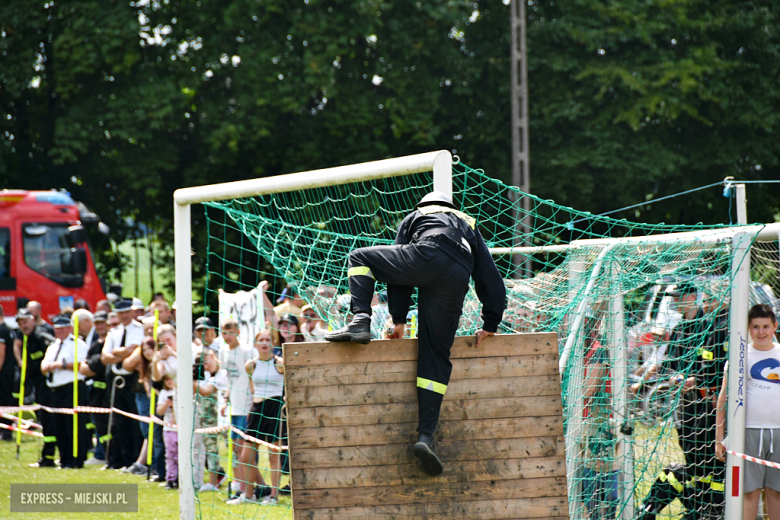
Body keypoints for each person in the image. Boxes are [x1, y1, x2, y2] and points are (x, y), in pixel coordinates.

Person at [324, 191, 506, 475]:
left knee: (359, 257)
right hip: (458, 274)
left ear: (422, 205)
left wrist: (398, 319)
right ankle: (425, 437)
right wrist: (491, 322)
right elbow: (490, 277)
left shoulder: (416, 216)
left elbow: (399, 275)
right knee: (434, 355)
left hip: (428, 253)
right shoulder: (468, 223)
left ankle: (360, 320)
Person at [639, 283, 727, 519]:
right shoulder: (680, 328)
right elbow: (669, 363)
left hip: (706, 406)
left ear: (691, 297)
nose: (673, 301)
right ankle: (693, 509)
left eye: (677, 296)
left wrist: (694, 380)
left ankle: (710, 510)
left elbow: (713, 368)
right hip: (685, 404)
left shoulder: (710, 326)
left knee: (708, 462)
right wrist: (645, 377)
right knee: (691, 457)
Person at [716, 304, 780, 520]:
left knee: (775, 492)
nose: (761, 332)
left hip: (778, 433)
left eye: (765, 326)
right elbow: (723, 398)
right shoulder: (739, 357)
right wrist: (719, 438)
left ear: (774, 327)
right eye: (755, 327)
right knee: (750, 492)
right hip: (749, 433)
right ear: (748, 329)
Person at [229, 330, 285, 505]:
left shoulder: (280, 363)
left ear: (272, 344)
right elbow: (253, 387)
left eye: (268, 340)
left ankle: (273, 496)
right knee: (246, 455)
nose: (264, 343)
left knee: (274, 455)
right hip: (257, 408)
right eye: (261, 340)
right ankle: (248, 495)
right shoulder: (251, 365)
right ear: (255, 343)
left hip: (275, 408)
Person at [580, 315, 619, 519]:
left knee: (605, 490)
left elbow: (588, 389)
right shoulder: (581, 352)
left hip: (600, 424)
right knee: (587, 491)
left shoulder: (598, 351)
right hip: (584, 424)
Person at [40, 315, 90, 468]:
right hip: (55, 390)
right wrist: (46, 367)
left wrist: (61, 365)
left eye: (63, 328)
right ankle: (64, 458)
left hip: (72, 388)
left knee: (73, 426)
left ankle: (76, 459)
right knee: (59, 426)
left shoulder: (78, 344)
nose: (59, 331)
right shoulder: (53, 345)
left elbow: (82, 364)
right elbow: (44, 364)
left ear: (69, 328)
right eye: (57, 328)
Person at [100, 299, 144, 470]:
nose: (124, 315)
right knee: (120, 422)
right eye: (121, 312)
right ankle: (124, 460)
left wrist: (117, 352)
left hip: (133, 378)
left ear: (132, 312)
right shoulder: (113, 333)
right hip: (116, 379)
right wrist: (124, 352)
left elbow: (135, 351)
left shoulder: (139, 330)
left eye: (127, 312)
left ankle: (135, 459)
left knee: (135, 422)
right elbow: (105, 357)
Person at [15, 308, 57, 467]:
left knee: (49, 422)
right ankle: (48, 456)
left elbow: (54, 347)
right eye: (20, 323)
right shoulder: (27, 338)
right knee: (46, 422)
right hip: (39, 387)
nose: (23, 325)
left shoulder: (40, 336)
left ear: (32, 320)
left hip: (48, 387)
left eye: (25, 321)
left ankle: (48, 457)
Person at [217, 318, 254, 499]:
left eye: (230, 332)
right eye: (224, 332)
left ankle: (245, 489)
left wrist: (252, 404)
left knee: (244, 450)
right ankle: (242, 486)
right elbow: (230, 380)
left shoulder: (247, 350)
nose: (227, 336)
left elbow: (253, 378)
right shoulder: (223, 351)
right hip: (234, 407)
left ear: (238, 332)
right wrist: (225, 400)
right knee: (235, 449)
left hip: (247, 405)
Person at [79, 310, 110, 466]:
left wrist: (91, 366)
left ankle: (109, 456)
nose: (100, 326)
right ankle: (103, 454)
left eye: (102, 323)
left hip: (107, 391)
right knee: (99, 427)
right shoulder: (95, 344)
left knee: (109, 426)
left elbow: (99, 365)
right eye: (97, 323)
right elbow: (84, 366)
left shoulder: (109, 342)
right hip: (94, 392)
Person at [193, 349, 225, 492]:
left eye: (206, 363)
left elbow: (205, 391)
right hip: (211, 419)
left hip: (224, 417)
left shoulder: (223, 373)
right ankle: (214, 482)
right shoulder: (209, 376)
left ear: (213, 356)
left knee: (236, 449)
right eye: (202, 365)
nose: (206, 367)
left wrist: (190, 380)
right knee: (211, 449)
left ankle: (240, 482)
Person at [156, 374, 178, 489]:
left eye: (172, 379)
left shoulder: (182, 392)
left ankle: (181, 478)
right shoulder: (164, 393)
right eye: (167, 379)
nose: (170, 382)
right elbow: (159, 411)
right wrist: (166, 404)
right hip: (169, 429)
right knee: (170, 455)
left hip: (181, 429)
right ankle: (170, 479)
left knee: (181, 455)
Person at [0, 305, 18, 439]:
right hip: (9, 371)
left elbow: (1, 354)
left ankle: (6, 430)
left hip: (3, 373)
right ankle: (7, 428)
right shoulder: (9, 329)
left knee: (4, 401)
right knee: (7, 400)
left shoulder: (1, 330)